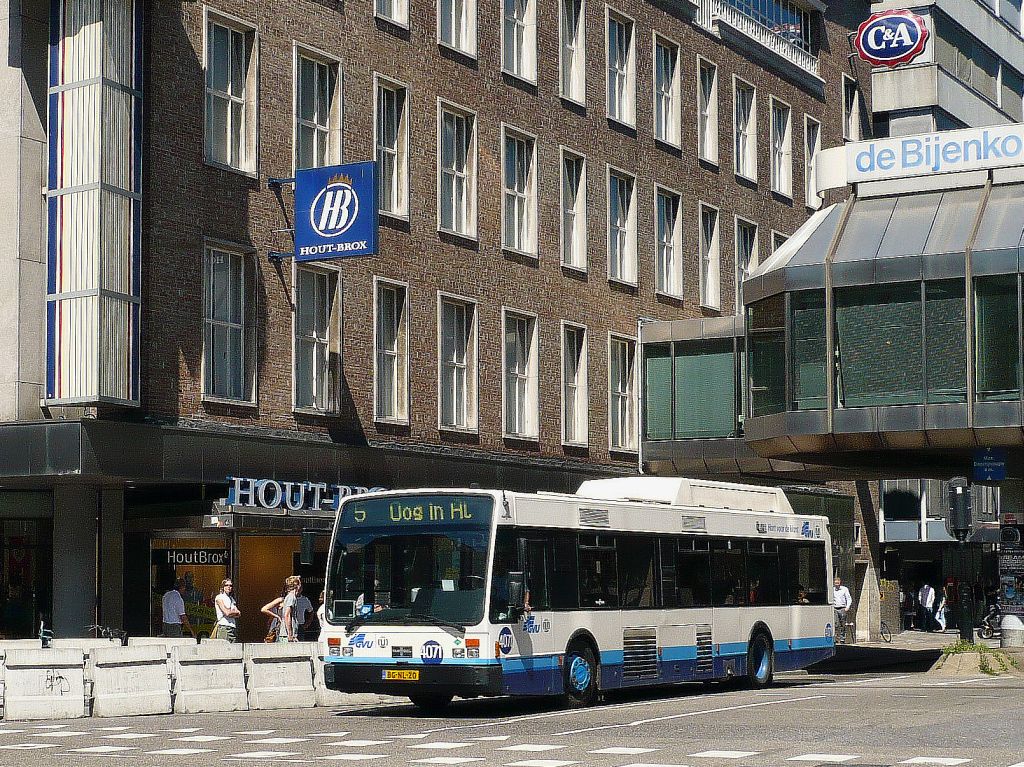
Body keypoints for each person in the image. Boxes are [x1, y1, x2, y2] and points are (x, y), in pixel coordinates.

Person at [277, 575, 302, 642]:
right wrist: (290, 635)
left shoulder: (290, 597)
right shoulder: (291, 597)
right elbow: (287, 615)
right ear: (297, 585)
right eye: (300, 583)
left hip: (287, 635)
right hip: (287, 636)